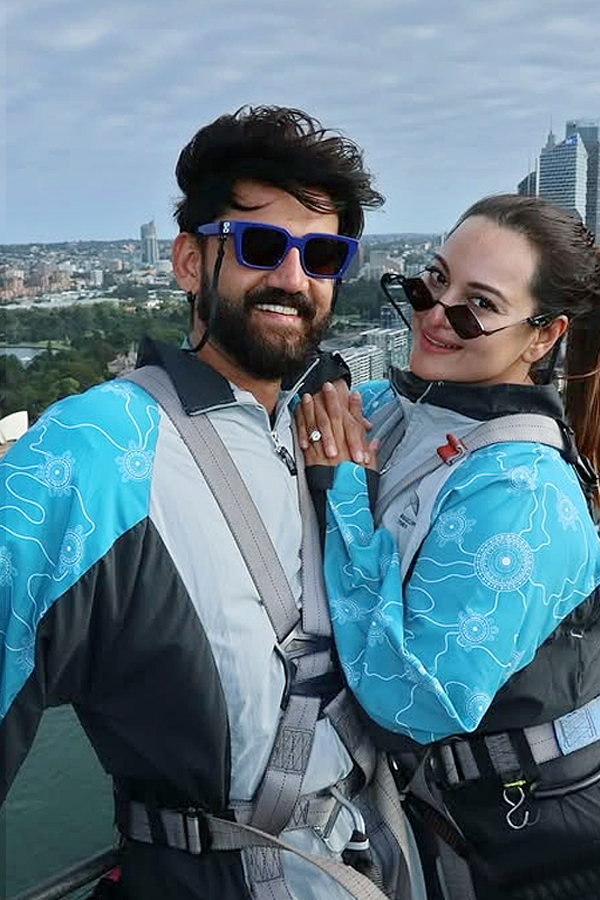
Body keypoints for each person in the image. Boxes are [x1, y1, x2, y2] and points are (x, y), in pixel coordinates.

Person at [0, 106, 426, 900]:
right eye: (260, 245)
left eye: (322, 255)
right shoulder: (97, 452)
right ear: (190, 262)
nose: (293, 279)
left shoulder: (315, 431)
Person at [296, 194, 600, 898]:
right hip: (445, 810)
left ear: (543, 337)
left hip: (534, 842)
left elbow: (411, 701)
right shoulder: (404, 408)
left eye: (478, 306)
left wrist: (343, 495)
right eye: (433, 281)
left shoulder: (525, 496)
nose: (436, 314)